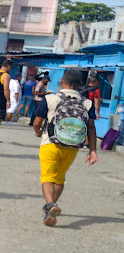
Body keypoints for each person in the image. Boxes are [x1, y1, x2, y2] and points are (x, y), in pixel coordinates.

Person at [32, 68, 98, 226]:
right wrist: (93, 150)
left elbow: (36, 122)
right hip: (73, 146)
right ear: (80, 84)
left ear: (62, 81)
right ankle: (51, 209)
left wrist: (38, 132)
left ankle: (51, 205)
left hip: (51, 143)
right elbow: (91, 128)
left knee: (48, 177)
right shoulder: (87, 103)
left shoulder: (51, 99)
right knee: (59, 178)